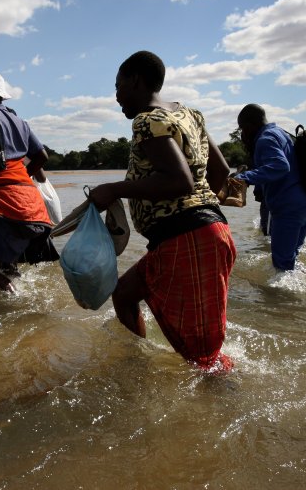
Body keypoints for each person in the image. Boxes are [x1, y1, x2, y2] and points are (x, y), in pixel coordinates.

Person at [89, 51, 237, 372]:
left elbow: (179, 180)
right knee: (124, 296)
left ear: (136, 81)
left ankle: (225, 403)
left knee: (203, 361)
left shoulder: (147, 121)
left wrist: (114, 189)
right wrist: (200, 207)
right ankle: (137, 367)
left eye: (118, 87)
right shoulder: (190, 114)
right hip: (206, 233)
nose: (116, 97)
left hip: (189, 239)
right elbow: (221, 171)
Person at [0, 70, 55, 293]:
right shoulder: (19, 119)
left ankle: (16, 303)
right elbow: (42, 156)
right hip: (31, 202)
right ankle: (22, 304)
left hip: (4, 202)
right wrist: (22, 176)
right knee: (9, 266)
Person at [234, 104, 306, 271]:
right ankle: (299, 296)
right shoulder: (280, 133)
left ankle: (283, 297)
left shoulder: (265, 139)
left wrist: (244, 177)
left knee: (282, 266)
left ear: (249, 126)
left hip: (288, 209)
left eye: (242, 128)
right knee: (292, 260)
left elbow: (280, 166)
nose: (242, 133)